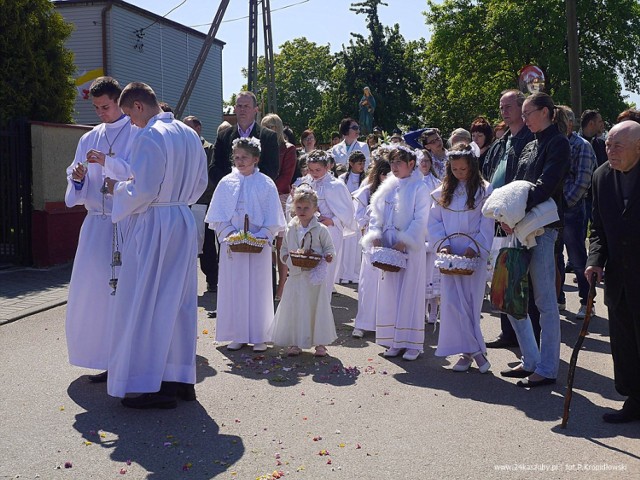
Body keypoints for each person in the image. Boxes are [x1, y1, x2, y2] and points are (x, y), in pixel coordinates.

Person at [105, 82, 208, 408]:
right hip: (181, 218)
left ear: (138, 106)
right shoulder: (189, 134)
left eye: (129, 116)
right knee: (179, 302)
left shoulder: (151, 135)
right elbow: (201, 183)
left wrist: (117, 190)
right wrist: (177, 201)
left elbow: (145, 190)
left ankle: (154, 385)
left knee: (149, 300)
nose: (132, 124)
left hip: (156, 224)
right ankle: (180, 380)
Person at [64, 76, 136, 383]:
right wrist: (78, 177)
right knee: (95, 292)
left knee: (124, 291)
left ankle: (129, 357)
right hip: (96, 224)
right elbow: (75, 184)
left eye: (105, 107)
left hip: (125, 223)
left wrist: (108, 162)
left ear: (118, 102)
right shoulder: (88, 137)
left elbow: (140, 173)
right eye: (95, 108)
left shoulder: (136, 132)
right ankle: (103, 357)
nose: (100, 113)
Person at [500, 92, 570, 388]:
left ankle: (547, 367)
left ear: (545, 112)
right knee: (512, 296)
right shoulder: (530, 143)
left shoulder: (559, 143)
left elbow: (545, 186)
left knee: (544, 301)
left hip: (543, 228)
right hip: (517, 226)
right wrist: (505, 212)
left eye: (528, 113)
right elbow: (516, 184)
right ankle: (529, 359)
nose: (524, 118)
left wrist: (514, 212)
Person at [206, 137, 286, 352]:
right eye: (237, 157)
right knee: (235, 287)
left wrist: (262, 235)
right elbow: (217, 216)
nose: (240, 161)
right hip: (233, 245)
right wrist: (230, 234)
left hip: (258, 244)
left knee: (258, 288)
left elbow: (273, 216)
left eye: (245, 158)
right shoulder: (226, 182)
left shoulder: (265, 183)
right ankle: (237, 333)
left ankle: (259, 335)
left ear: (256, 159)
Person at [586, 120, 640, 423]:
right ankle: (635, 400)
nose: (610, 150)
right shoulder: (601, 176)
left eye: (617, 145)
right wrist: (595, 259)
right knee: (625, 344)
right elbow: (598, 228)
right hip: (619, 277)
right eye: (608, 144)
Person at [429, 143, 494, 372]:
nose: (459, 173)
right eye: (454, 169)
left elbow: (487, 224)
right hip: (449, 256)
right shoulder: (442, 191)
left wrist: (473, 246)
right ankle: (473, 353)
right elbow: (435, 222)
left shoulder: (484, 190)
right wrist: (444, 245)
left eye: (463, 169)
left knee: (470, 304)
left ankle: (470, 353)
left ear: (473, 167)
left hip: (471, 255)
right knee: (452, 304)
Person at [362, 146, 429, 361]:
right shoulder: (387, 187)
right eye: (392, 163)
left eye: (399, 162)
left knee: (409, 292)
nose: (394, 167)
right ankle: (392, 339)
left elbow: (421, 219)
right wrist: (376, 234)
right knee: (390, 292)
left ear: (411, 163)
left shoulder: (420, 187)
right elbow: (376, 212)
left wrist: (404, 241)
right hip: (388, 246)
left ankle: (411, 343)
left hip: (408, 247)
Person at [482, 89, 536, 350]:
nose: (504, 111)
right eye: (501, 106)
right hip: (499, 218)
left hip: (517, 218)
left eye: (509, 106)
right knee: (502, 275)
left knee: (521, 279)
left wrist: (512, 213)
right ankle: (508, 333)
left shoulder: (529, 139)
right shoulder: (502, 141)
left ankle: (526, 339)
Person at [271, 187, 336, 357]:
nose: (302, 211)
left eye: (306, 208)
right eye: (298, 207)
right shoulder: (290, 228)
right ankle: (295, 342)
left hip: (314, 275)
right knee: (295, 307)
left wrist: (328, 256)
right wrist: (288, 259)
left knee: (316, 307)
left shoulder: (321, 229)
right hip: (296, 274)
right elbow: (284, 249)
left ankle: (320, 343)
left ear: (315, 209)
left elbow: (330, 248)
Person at [555, 106, 596, 319]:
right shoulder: (552, 144)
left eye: (558, 120)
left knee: (578, 258)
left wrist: (563, 204)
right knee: (555, 258)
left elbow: (582, 182)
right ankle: (559, 298)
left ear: (570, 123)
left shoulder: (582, 146)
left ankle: (587, 301)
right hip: (553, 210)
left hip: (572, 210)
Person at [303, 150, 356, 302]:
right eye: (311, 170)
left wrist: (333, 221)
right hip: (310, 230)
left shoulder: (336, 186)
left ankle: (323, 304)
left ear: (327, 167)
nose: (314, 174)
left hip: (330, 231)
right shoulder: (307, 183)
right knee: (309, 266)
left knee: (326, 268)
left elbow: (347, 212)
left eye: (318, 170)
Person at [352, 158, 391, 338]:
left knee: (387, 283)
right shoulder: (367, 192)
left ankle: (384, 323)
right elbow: (358, 217)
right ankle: (363, 322)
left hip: (390, 240)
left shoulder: (397, 191)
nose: (387, 177)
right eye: (384, 173)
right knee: (368, 282)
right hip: (371, 240)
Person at [261, 114, 298, 301]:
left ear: (279, 127)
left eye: (272, 126)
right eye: (265, 126)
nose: (268, 130)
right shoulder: (260, 147)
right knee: (265, 242)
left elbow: (286, 176)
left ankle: (282, 286)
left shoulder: (288, 149)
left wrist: (266, 188)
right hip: (263, 198)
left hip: (281, 197)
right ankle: (266, 285)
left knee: (282, 244)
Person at [210, 91, 279, 188]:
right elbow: (214, 168)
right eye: (239, 106)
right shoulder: (223, 136)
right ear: (235, 109)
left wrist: (249, 185)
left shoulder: (268, 136)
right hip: (230, 192)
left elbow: (272, 169)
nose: (242, 109)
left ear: (256, 109)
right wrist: (231, 184)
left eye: (246, 106)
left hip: (257, 193)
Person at [183, 115, 218, 292]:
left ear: (198, 129)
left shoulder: (209, 149)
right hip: (184, 203)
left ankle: (212, 279)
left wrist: (201, 192)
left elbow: (211, 176)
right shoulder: (182, 147)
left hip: (203, 202)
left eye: (188, 127)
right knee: (187, 244)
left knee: (207, 245)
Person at [418, 150, 442, 324]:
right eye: (421, 161)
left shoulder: (437, 183)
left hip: (432, 230)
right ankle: (422, 310)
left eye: (427, 160)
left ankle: (434, 311)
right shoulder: (413, 183)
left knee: (433, 272)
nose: (424, 164)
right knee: (422, 273)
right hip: (419, 230)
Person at [337, 151, 367, 284]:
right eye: (359, 163)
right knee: (345, 246)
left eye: (363, 163)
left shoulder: (366, 179)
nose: (362, 166)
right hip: (346, 216)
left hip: (359, 217)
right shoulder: (343, 179)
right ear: (351, 163)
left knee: (357, 247)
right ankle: (343, 273)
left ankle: (354, 274)